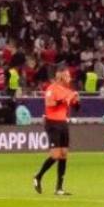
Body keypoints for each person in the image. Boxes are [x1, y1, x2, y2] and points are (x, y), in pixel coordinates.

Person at [34, 66, 79, 196]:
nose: (69, 78)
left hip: (63, 122)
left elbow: (76, 108)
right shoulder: (51, 89)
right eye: (67, 75)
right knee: (55, 155)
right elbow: (50, 104)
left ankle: (59, 188)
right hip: (52, 123)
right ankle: (38, 176)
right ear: (60, 77)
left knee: (64, 154)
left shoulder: (68, 91)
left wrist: (76, 100)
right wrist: (64, 100)